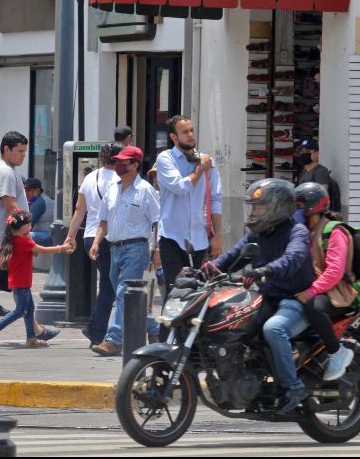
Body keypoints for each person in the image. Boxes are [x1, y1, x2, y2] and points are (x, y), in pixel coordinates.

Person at [207, 178, 314, 414]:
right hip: (265, 298)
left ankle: (293, 387)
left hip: (294, 299)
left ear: (279, 207)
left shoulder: (297, 232)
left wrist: (266, 269)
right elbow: (233, 256)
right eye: (254, 207)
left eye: (260, 207)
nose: (255, 212)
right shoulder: (258, 233)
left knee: (273, 329)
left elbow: (293, 258)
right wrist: (208, 269)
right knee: (232, 324)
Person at [0, 131, 59, 346]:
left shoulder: (4, 169)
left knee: (19, 285)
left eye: (25, 151)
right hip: (5, 239)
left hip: (5, 237)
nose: (23, 156)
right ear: (6, 149)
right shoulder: (5, 172)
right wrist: (24, 231)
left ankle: (35, 330)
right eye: (19, 151)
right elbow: (10, 206)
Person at [89, 146, 161, 357]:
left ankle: (114, 339)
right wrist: (96, 242)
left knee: (122, 293)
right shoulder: (112, 188)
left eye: (124, 162)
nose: (119, 165)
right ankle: (154, 328)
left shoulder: (146, 190)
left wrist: (156, 249)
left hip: (136, 248)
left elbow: (158, 221)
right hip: (114, 249)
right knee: (127, 297)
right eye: (117, 161)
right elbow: (103, 220)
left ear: (135, 165)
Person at [294, 182, 356, 381]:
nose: (297, 211)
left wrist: (311, 291)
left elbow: (335, 272)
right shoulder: (305, 230)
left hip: (335, 292)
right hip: (316, 288)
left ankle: (337, 352)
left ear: (313, 208)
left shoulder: (334, 232)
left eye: (301, 206)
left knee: (314, 307)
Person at [0, 210, 72, 348]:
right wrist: (62, 248)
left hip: (21, 281)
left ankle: (31, 338)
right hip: (21, 282)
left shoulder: (16, 239)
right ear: (22, 227)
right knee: (20, 310)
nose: (30, 226)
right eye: (27, 224)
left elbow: (34, 251)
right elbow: (42, 250)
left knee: (29, 308)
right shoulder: (22, 241)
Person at [64, 142, 123, 347]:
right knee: (109, 286)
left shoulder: (90, 177)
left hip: (89, 235)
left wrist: (71, 236)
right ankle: (96, 330)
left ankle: (96, 328)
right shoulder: (120, 179)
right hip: (109, 237)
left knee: (108, 285)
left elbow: (80, 209)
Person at [156, 115, 223, 290]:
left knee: (198, 293)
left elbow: (215, 198)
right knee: (175, 293)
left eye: (192, 130)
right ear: (173, 137)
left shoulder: (208, 161)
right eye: (184, 132)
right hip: (172, 237)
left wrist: (218, 234)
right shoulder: (165, 159)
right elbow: (180, 187)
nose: (191, 135)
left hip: (199, 238)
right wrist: (200, 168)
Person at [24, 178, 54, 247]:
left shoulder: (39, 202)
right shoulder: (43, 198)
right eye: (24, 190)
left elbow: (28, 224)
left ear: (37, 191)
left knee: (20, 235)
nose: (25, 193)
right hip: (48, 236)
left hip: (46, 237)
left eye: (28, 190)